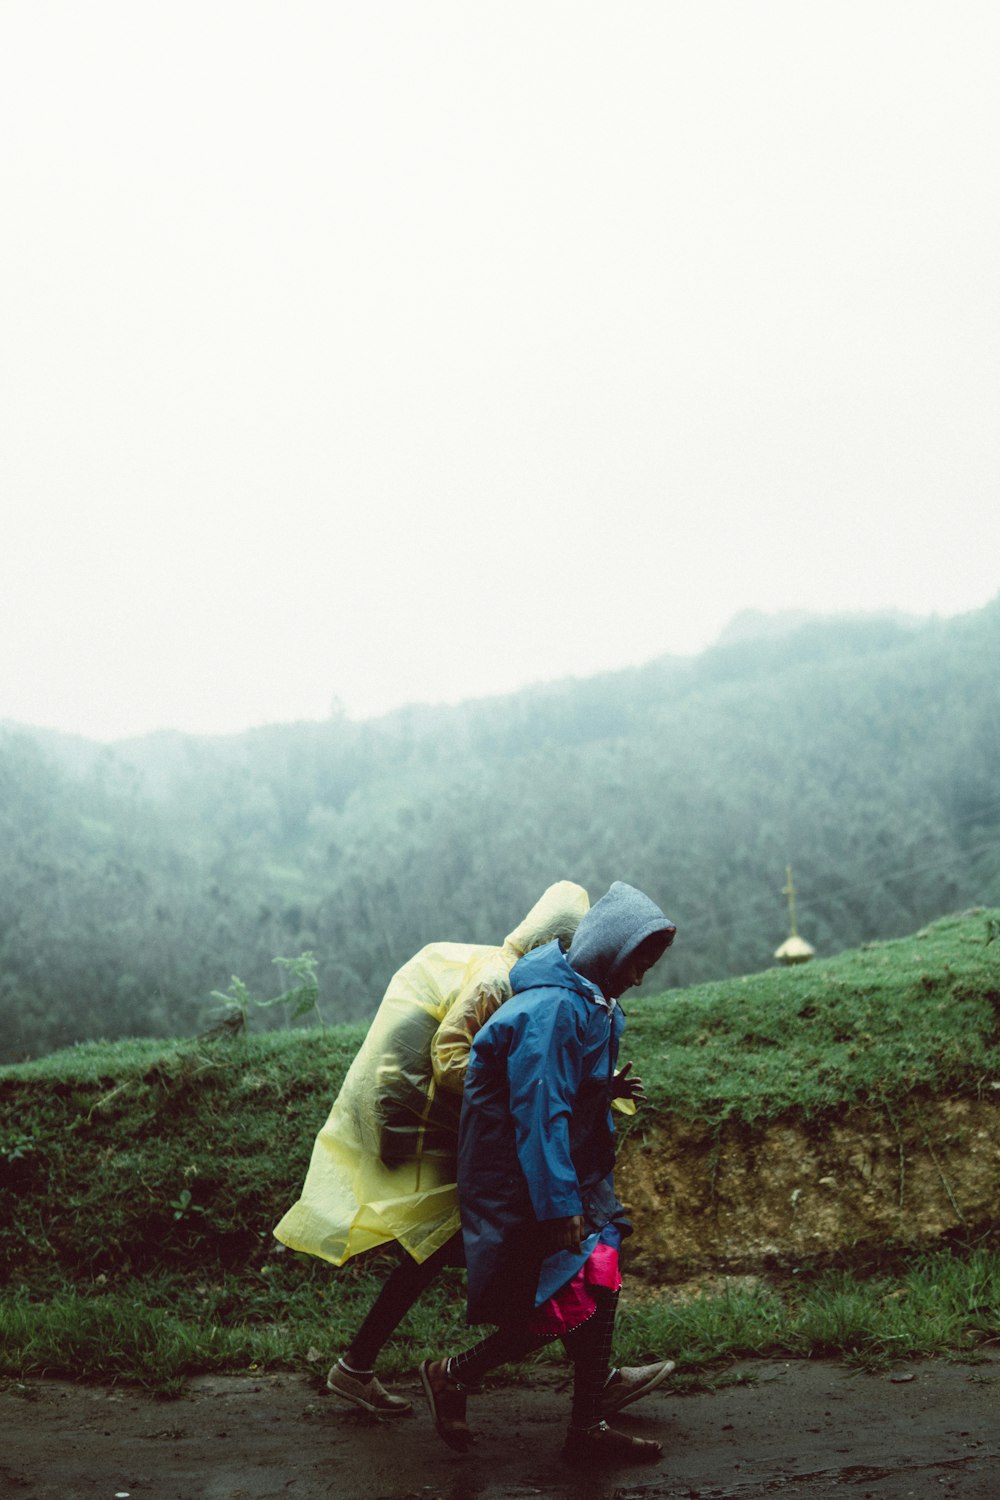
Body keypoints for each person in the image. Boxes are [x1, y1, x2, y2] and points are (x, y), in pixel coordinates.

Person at [273, 882, 591, 1413]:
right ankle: (575, 1373)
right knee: (522, 1243)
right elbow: (449, 1058)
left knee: (439, 1249)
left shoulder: (507, 972)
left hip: (449, 1128)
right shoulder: (499, 978)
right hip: (438, 1130)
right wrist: (516, 1093)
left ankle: (360, 1366)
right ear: (553, 942)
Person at [419, 881, 676, 1465]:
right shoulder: (554, 1008)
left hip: (564, 1174)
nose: (639, 977)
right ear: (611, 950)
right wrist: (559, 1203)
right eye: (638, 962)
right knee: (570, 1292)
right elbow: (538, 1112)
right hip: (526, 1180)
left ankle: (582, 1422)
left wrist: (600, 1088)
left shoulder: (587, 1002)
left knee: (593, 1284)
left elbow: (553, 1086)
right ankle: (456, 1374)